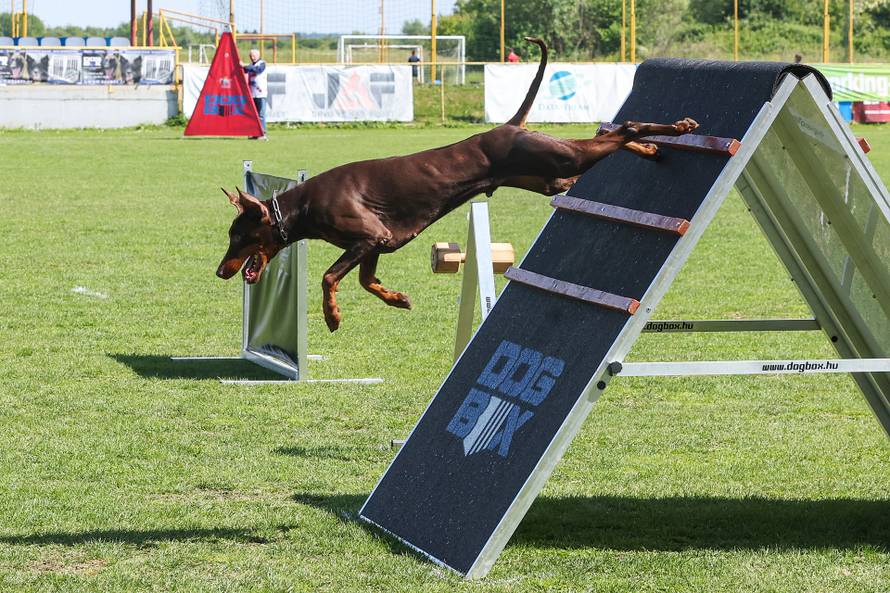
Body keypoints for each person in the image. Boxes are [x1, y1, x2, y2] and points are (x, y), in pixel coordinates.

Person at [243, 48, 268, 140]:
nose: (252, 57)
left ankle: (262, 134)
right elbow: (245, 70)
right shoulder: (250, 65)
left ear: (258, 55)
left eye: (253, 55)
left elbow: (258, 70)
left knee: (261, 115)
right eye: (250, 56)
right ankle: (255, 133)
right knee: (254, 115)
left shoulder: (262, 63)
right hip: (252, 94)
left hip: (261, 94)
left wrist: (245, 66)